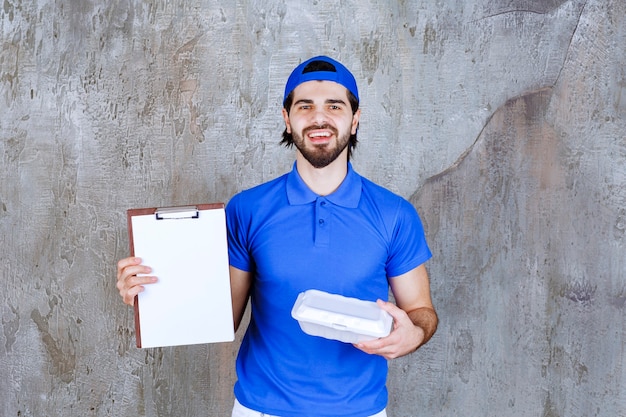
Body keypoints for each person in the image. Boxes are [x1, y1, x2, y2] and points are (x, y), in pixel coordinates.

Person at [117, 55, 438, 417]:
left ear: (356, 117)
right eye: (305, 106)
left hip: (361, 410)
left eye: (334, 105)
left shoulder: (395, 214)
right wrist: (153, 294)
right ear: (287, 120)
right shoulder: (249, 209)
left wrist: (415, 334)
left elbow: (421, 312)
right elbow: (223, 317)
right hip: (261, 409)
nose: (320, 118)